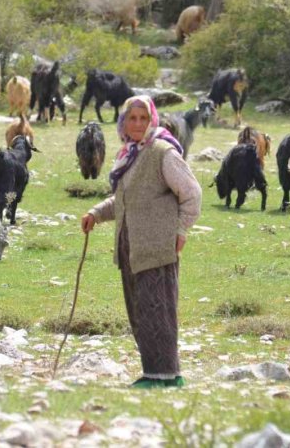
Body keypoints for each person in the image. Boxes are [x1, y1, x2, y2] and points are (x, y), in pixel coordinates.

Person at [81, 95, 202, 389]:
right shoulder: (131, 153)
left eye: (143, 119)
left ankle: (163, 376)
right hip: (131, 246)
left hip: (157, 244)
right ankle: (160, 373)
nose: (137, 124)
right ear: (124, 121)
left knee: (157, 310)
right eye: (132, 118)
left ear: (152, 121)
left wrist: (181, 230)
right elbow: (124, 199)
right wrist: (96, 214)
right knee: (140, 311)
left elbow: (192, 194)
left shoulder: (162, 152)